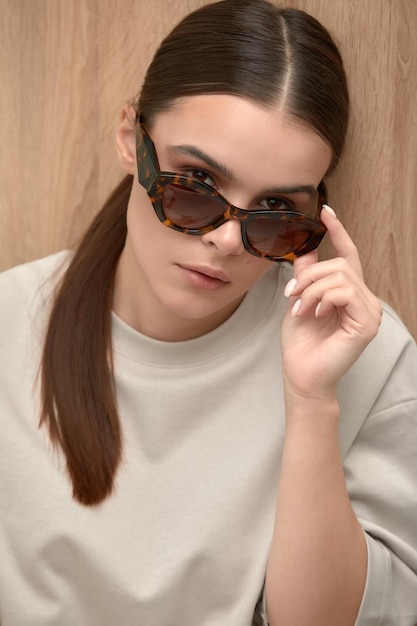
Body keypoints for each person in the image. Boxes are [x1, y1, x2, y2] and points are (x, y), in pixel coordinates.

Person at [0, 0, 416, 624]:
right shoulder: (10, 324)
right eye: (194, 185)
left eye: (276, 210)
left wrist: (310, 403)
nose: (225, 240)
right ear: (128, 140)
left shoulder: (364, 354)